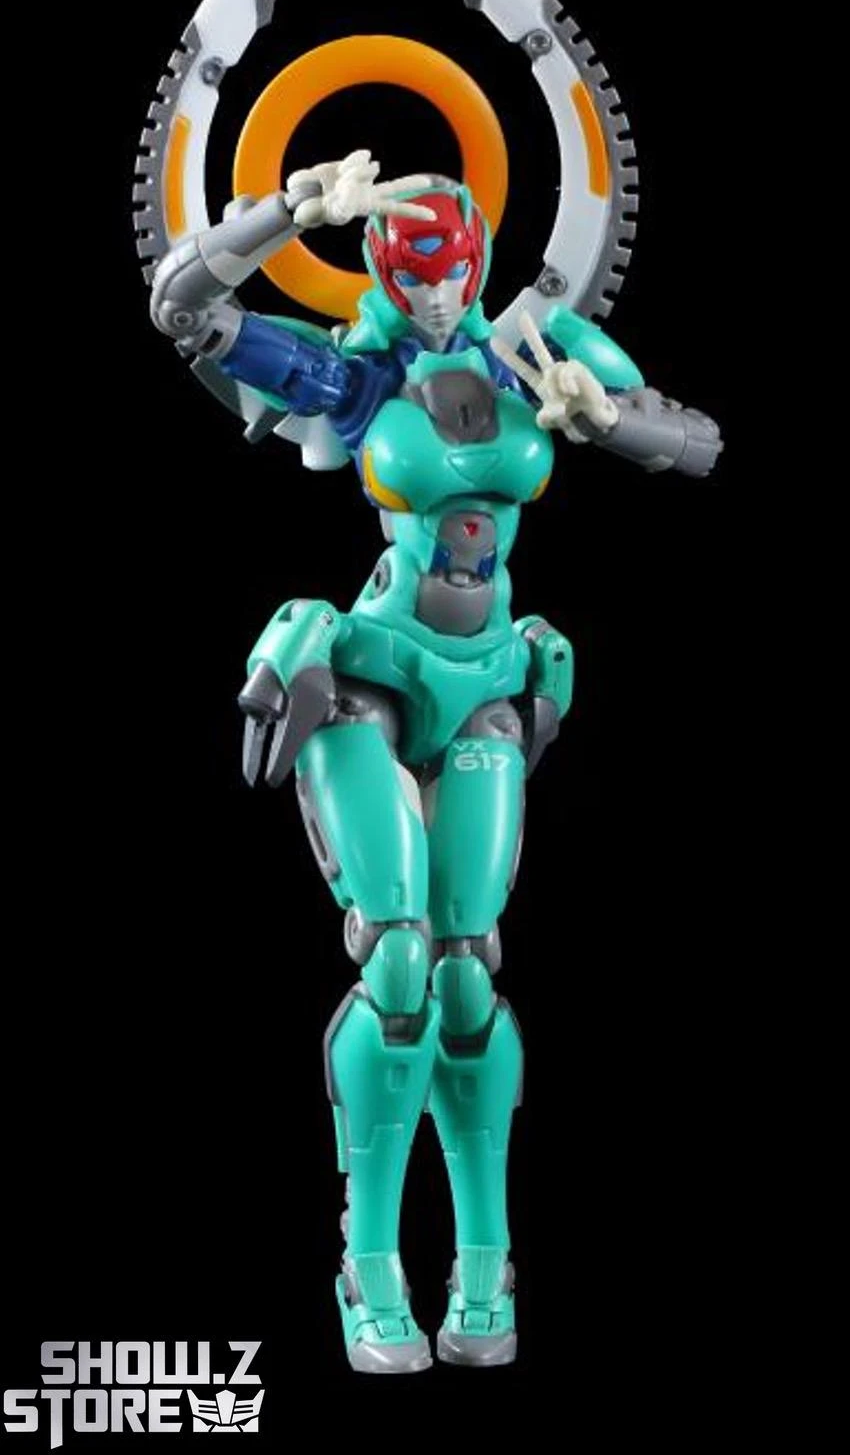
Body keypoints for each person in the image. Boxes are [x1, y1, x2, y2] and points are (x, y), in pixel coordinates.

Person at [151, 148, 722, 1372]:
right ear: (378, 269)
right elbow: (184, 311)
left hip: (485, 685)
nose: (434, 293)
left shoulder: (532, 353)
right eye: (411, 273)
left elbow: (697, 445)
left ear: (481, 259)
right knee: (397, 955)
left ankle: (483, 1269)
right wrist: (279, 213)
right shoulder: (357, 378)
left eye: (452, 269)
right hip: (370, 671)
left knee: (465, 972)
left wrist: (604, 416)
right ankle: (366, 1265)